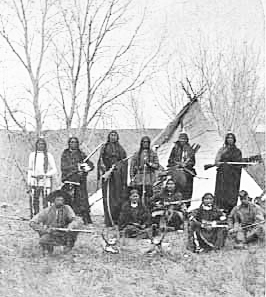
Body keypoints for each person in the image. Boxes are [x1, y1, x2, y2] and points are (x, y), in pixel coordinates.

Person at [30, 190, 81, 255]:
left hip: (65, 233)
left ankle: (68, 249)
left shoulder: (67, 208)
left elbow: (74, 220)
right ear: (53, 201)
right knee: (43, 240)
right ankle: (48, 251)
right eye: (58, 200)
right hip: (52, 233)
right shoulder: (47, 210)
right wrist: (44, 230)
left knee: (75, 230)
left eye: (61, 200)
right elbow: (32, 222)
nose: (60, 202)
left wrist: (71, 226)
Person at [97, 130, 128, 227]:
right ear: (108, 136)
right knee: (108, 198)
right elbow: (100, 161)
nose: (113, 137)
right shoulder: (104, 148)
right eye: (111, 135)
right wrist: (105, 171)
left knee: (117, 198)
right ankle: (109, 220)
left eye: (115, 135)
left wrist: (117, 168)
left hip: (117, 177)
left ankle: (117, 219)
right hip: (107, 177)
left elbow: (124, 162)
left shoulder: (121, 149)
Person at [61, 137, 94, 225]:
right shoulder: (65, 154)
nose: (73, 144)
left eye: (75, 142)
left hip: (80, 181)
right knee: (69, 200)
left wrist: (85, 168)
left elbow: (90, 165)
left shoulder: (81, 154)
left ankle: (86, 219)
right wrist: (77, 167)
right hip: (69, 180)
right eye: (71, 142)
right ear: (69, 143)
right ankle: (68, 219)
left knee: (82, 200)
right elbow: (64, 167)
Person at [28, 137, 57, 216]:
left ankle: (46, 217)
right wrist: (29, 182)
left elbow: (54, 169)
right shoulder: (32, 155)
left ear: (45, 145)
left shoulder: (49, 155)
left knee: (46, 200)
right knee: (35, 200)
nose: (41, 145)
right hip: (34, 181)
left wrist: (46, 175)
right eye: (39, 144)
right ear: (36, 145)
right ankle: (36, 216)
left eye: (42, 144)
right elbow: (30, 169)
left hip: (45, 181)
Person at [214, 132, 242, 214]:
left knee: (231, 193)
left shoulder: (237, 151)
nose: (230, 140)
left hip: (233, 176)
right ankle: (221, 210)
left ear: (234, 140)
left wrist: (231, 166)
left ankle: (230, 209)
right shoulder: (222, 150)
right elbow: (216, 161)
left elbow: (239, 164)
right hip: (222, 175)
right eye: (228, 138)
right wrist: (220, 163)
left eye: (231, 138)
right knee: (221, 191)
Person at [167, 132, 196, 208]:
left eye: (184, 140)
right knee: (177, 189)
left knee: (187, 191)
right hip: (176, 172)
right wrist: (178, 163)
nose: (182, 141)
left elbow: (193, 162)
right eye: (181, 140)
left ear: (187, 140)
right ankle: (176, 205)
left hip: (187, 172)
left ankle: (186, 206)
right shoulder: (175, 148)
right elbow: (170, 160)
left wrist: (186, 164)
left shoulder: (190, 149)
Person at [130, 136, 159, 208]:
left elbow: (157, 165)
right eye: (144, 142)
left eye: (147, 142)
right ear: (141, 143)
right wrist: (132, 178)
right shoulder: (137, 154)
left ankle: (148, 210)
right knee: (138, 195)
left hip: (149, 178)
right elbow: (132, 167)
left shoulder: (153, 153)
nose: (145, 144)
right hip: (139, 177)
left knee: (148, 195)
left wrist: (149, 163)